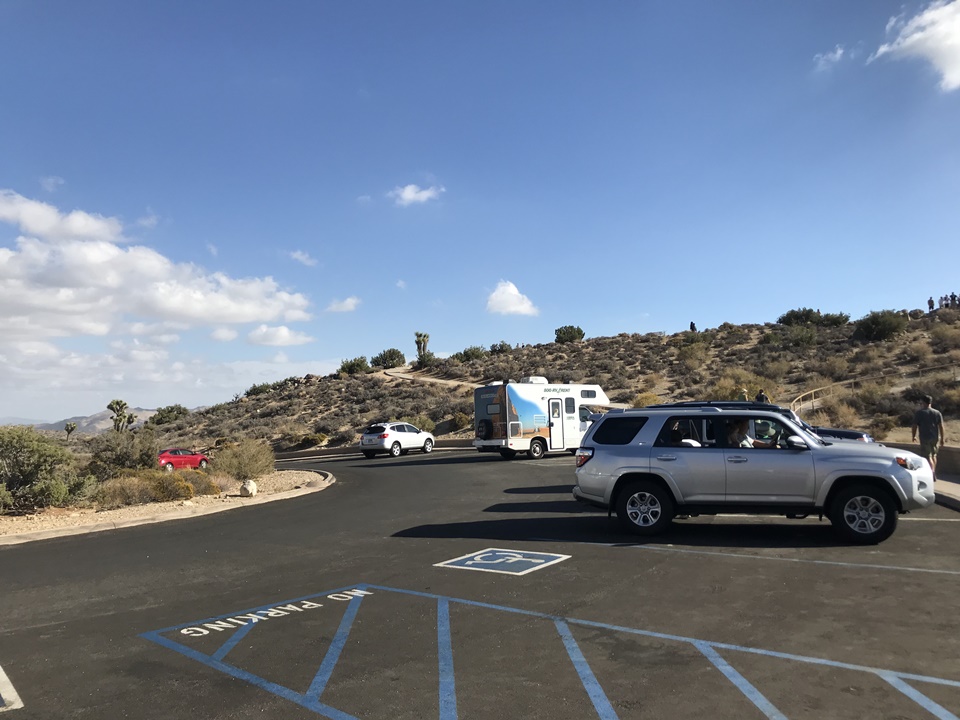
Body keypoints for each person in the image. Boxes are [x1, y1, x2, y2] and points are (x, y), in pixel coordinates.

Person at [912, 394, 945, 479]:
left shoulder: (920, 413)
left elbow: (914, 426)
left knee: (928, 456)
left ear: (923, 402)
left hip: (925, 437)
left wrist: (914, 436)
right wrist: (942, 438)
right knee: (934, 455)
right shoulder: (937, 413)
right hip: (935, 437)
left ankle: (932, 472)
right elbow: (941, 426)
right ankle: (933, 471)